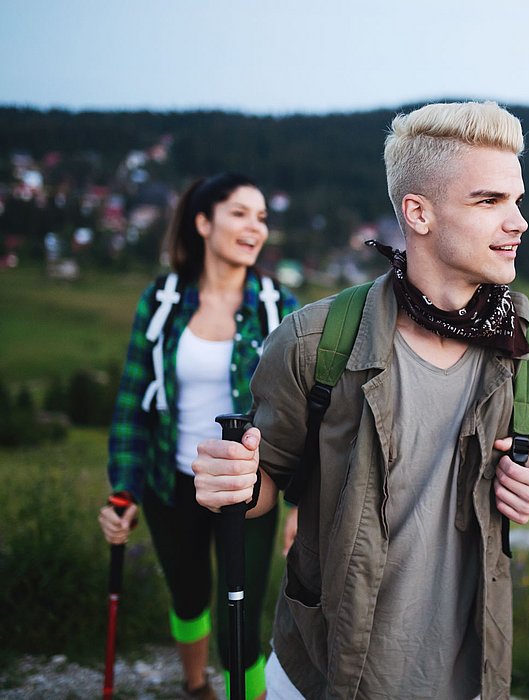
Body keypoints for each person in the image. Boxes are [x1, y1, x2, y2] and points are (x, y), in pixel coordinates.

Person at [192, 101, 529, 699]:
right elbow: (265, 484)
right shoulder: (313, 344)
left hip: (471, 678)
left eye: (518, 200)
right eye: (489, 201)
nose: (519, 221)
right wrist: (234, 482)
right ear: (418, 213)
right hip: (322, 673)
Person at [98, 172, 298, 700]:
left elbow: (304, 420)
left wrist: (300, 503)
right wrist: (124, 490)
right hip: (171, 483)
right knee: (187, 598)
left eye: (261, 217)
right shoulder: (161, 302)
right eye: (239, 213)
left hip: (247, 490)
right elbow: (130, 404)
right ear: (203, 222)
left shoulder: (279, 307)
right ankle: (194, 686)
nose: (254, 227)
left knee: (242, 616)